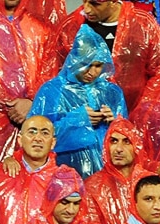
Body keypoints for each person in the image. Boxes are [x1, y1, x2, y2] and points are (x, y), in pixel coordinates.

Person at [31, 26, 127, 178]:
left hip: (107, 179)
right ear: (75, 60)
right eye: (87, 64)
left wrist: (115, 123)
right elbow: (35, 139)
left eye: (98, 65)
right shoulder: (51, 91)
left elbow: (129, 138)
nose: (93, 72)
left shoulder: (112, 93)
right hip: (64, 178)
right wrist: (77, 120)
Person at [0, 0, 57, 157]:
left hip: (35, 118)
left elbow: (49, 72)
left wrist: (31, 102)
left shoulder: (40, 28)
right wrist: (14, 106)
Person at [55, 0, 160, 112]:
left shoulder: (143, 24)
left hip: (132, 114)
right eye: (84, 1)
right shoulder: (71, 26)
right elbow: (58, 73)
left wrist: (142, 111)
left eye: (95, 3)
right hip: (84, 118)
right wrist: (76, 114)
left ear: (113, 1)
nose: (87, 9)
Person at [82, 118, 155, 224]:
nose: (119, 149)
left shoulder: (152, 183)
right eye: (114, 141)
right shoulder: (92, 186)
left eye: (126, 141)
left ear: (136, 146)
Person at [0, 115, 62, 224]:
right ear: (19, 140)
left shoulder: (62, 181)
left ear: (53, 143)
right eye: (32, 132)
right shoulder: (1, 174)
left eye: (45, 133)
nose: (38, 138)